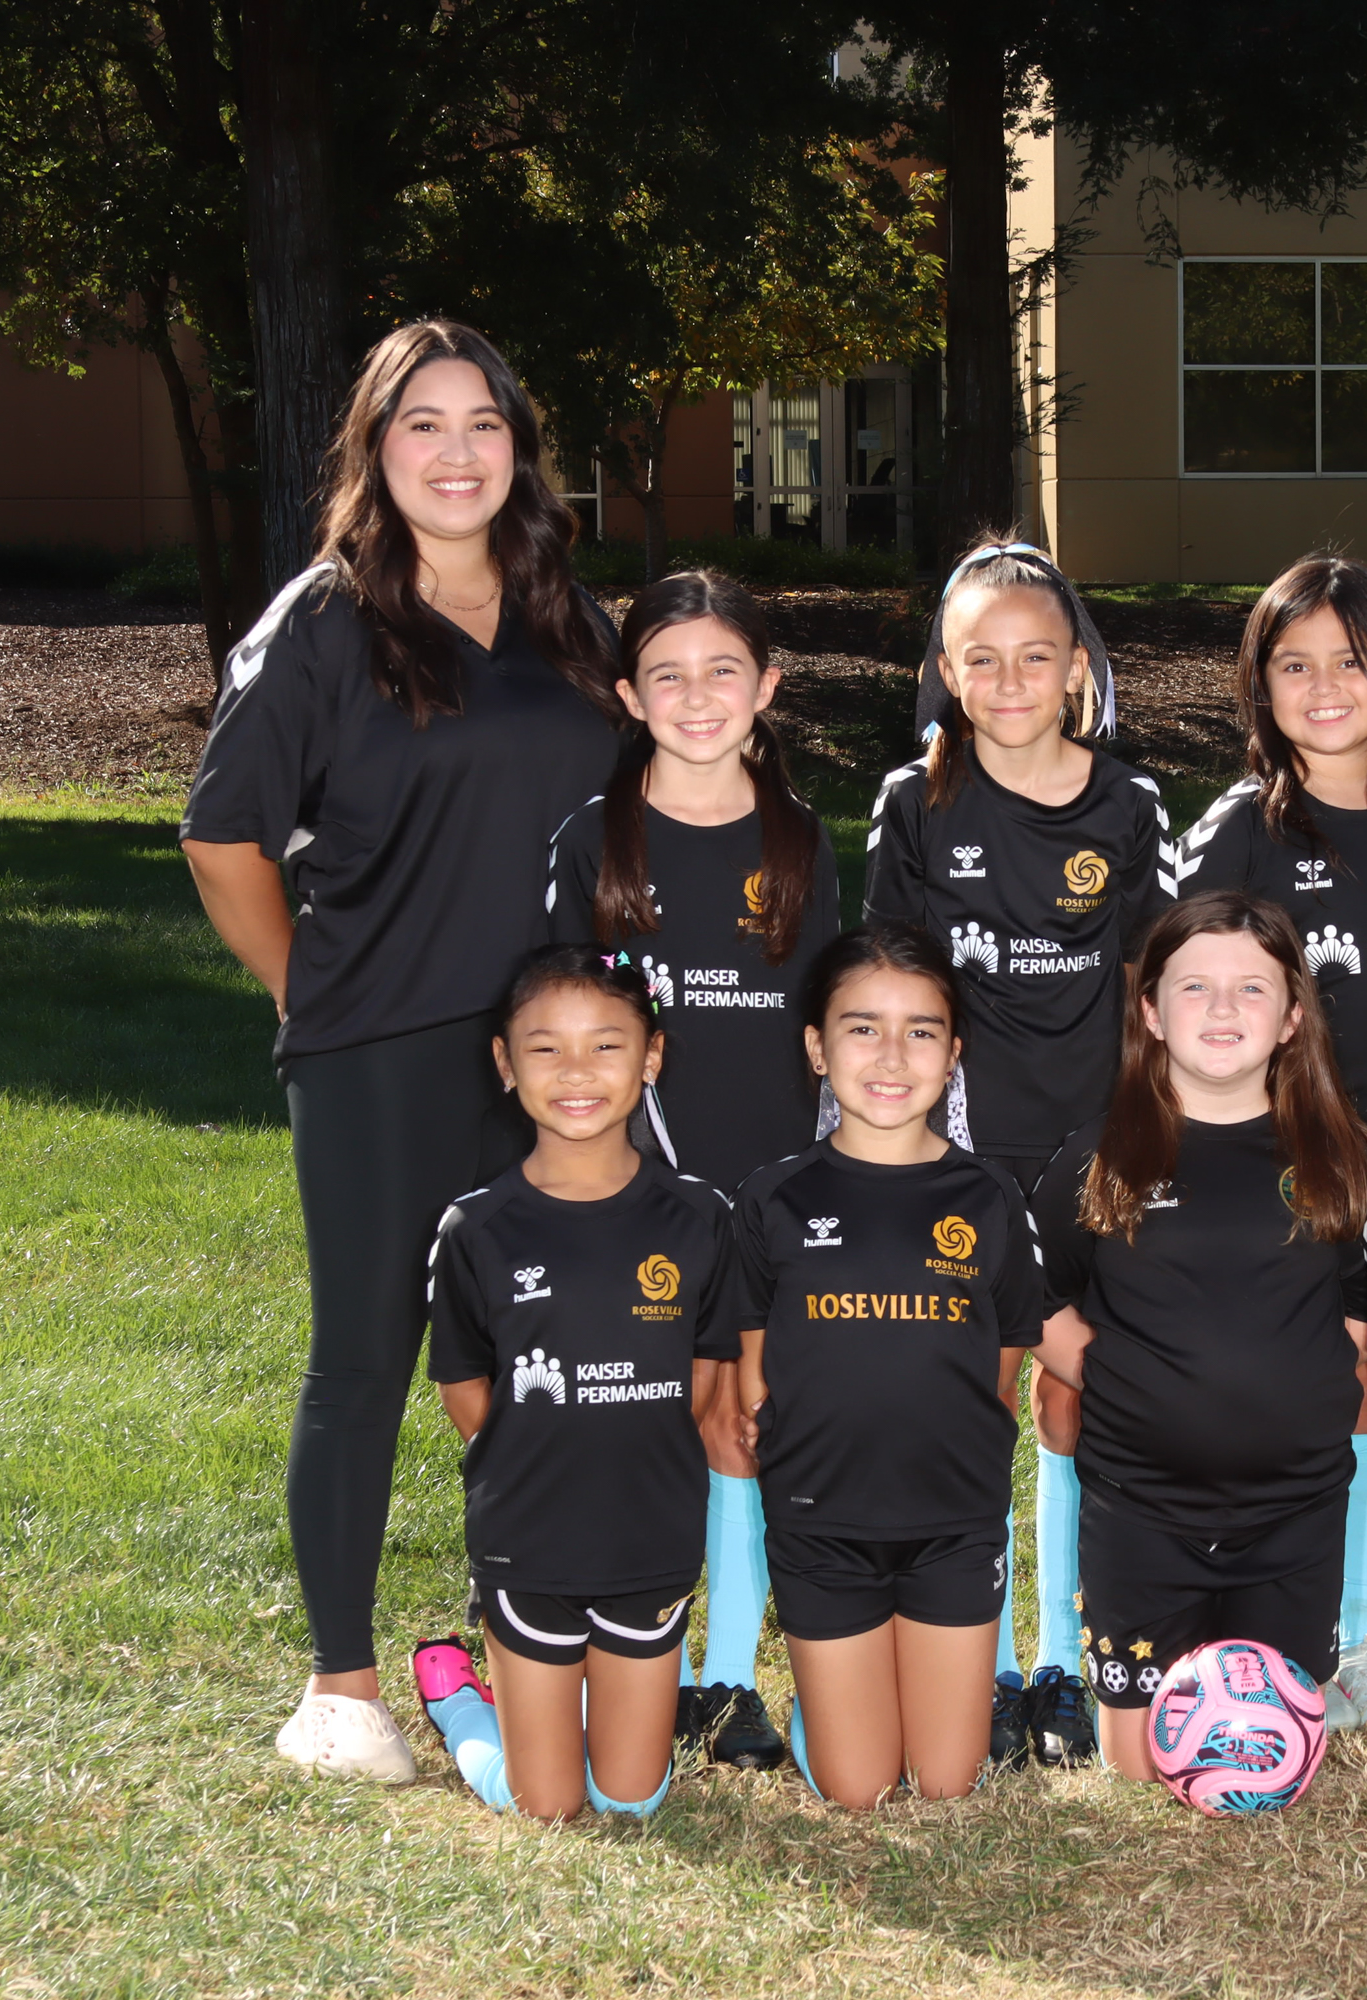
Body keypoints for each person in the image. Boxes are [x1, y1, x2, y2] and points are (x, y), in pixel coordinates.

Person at [181, 320, 623, 1781]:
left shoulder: (565, 613)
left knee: (557, 1355)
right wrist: (307, 991)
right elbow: (223, 836)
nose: (456, 451)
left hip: (555, 1059)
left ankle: (538, 1646)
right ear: (376, 449)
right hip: (380, 1047)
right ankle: (341, 1687)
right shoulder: (325, 619)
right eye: (422, 423)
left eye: (482, 422)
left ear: (520, 447)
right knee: (367, 1356)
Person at [864, 537, 1168, 1768]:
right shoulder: (914, 801)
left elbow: (1152, 987)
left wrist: (1146, 1139)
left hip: (1096, 1151)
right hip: (965, 1157)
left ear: (1077, 667)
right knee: (977, 1391)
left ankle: (1061, 1655)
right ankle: (980, 1660)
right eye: (979, 658)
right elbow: (888, 989)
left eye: (1034, 656)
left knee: (1074, 1394)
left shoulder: (1130, 804)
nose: (1007, 680)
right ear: (945, 668)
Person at [1170, 553, 1367, 1736]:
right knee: (1319, 1395)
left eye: (1347, 660)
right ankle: (1311, 1625)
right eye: (1292, 665)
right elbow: (1180, 1007)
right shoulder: (1238, 831)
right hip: (1282, 1177)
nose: (1323, 686)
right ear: (1259, 687)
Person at [544, 568, 840, 1772]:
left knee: (743, 1423)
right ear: (628, 695)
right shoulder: (591, 839)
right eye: (666, 674)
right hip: (637, 1202)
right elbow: (556, 1029)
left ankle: (726, 1676)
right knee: (636, 1423)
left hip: (767, 1195)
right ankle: (623, 1657)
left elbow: (827, 1027)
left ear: (767, 686)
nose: (697, 694)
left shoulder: (801, 840)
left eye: (724, 669)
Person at [1028, 892, 1367, 1784]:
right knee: (1141, 1771)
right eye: (1194, 987)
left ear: (1293, 1016)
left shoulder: (1340, 1156)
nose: (1223, 1009)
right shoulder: (1099, 1156)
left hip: (1293, 1513)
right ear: (1149, 1011)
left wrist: (1302, 1376)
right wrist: (1113, 1375)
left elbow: (1364, 1303)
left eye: (1251, 988)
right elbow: (1034, 1294)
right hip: (1142, 1513)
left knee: (1271, 1760)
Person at [406, 947, 735, 1821]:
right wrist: (539, 1453)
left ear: (651, 1057)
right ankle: (459, 1701)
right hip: (529, 1543)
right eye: (546, 1048)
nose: (577, 1072)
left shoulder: (700, 1218)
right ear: (506, 1064)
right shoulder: (476, 1228)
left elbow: (702, 1381)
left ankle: (572, 1703)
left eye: (606, 1045)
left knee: (630, 1800)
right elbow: (465, 1392)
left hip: (651, 1539)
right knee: (546, 1806)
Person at [725, 926, 1045, 1807]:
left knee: (947, 1784)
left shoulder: (990, 1198)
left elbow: (1002, 1371)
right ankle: (828, 1704)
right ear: (816, 1048)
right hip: (822, 1525)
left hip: (954, 1525)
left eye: (922, 1031)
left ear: (954, 1054)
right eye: (863, 1028)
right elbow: (755, 1378)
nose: (892, 1055)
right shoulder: (773, 1197)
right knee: (860, 1790)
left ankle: (877, 1692)